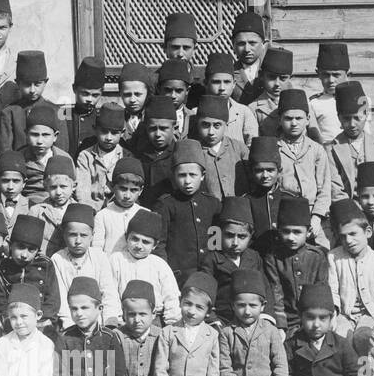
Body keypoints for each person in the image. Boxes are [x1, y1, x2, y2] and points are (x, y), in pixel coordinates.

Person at [282, 282, 371, 376]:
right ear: (300, 317)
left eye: (323, 318)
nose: (316, 324)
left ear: (332, 318)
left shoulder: (341, 343)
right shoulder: (290, 344)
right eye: (310, 317)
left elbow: (360, 375)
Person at [50, 277, 130, 376]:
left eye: (85, 308)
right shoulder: (64, 338)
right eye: (74, 309)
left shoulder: (110, 338)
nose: (79, 313)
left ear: (99, 308)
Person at [151, 272, 228, 376]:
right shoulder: (168, 333)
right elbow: (160, 371)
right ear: (180, 302)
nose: (192, 311)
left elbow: (213, 375)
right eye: (188, 304)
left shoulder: (212, 335)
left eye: (199, 307)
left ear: (208, 311)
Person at [218, 269, 288, 376]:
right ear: (233, 306)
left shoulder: (271, 331)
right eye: (241, 305)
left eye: (253, 305)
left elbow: (281, 366)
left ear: (263, 306)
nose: (247, 311)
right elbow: (224, 370)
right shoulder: (227, 333)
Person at [327, 198, 374, 374]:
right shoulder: (334, 257)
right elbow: (332, 289)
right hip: (345, 313)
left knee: (365, 337)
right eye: (343, 236)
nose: (348, 240)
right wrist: (334, 315)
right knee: (339, 336)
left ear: (368, 232)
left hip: (370, 314)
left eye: (353, 234)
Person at [154, 139, 220, 284]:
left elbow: (216, 242)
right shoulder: (165, 205)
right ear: (174, 175)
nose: (187, 181)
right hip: (177, 276)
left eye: (193, 175)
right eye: (182, 175)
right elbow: (160, 244)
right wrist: (164, 274)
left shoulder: (212, 204)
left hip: (207, 274)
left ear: (202, 175)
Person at [262, 196, 329, 333]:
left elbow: (321, 289)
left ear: (308, 231)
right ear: (278, 230)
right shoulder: (273, 257)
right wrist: (281, 326)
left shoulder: (317, 256)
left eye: (297, 232)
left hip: (312, 319)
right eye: (286, 231)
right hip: (287, 320)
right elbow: (276, 293)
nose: (291, 237)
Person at [50, 203, 119, 329]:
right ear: (64, 235)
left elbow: (108, 291)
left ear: (92, 235)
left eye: (83, 235)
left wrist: (110, 320)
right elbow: (61, 299)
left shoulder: (99, 257)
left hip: (99, 322)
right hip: (71, 321)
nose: (78, 241)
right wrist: (70, 327)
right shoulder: (57, 259)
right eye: (72, 234)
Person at [328, 82, 374, 207]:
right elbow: (336, 191)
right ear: (339, 118)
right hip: (349, 211)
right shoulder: (332, 150)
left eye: (357, 118)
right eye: (346, 119)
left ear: (366, 115)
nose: (352, 124)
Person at [276, 89, 330, 243]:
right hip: (284, 216)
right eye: (288, 118)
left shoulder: (317, 150)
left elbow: (324, 190)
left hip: (312, 213)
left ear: (307, 119)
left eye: (299, 118)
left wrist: (317, 217)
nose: (294, 123)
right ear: (280, 119)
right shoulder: (274, 148)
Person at [110, 210, 181, 325]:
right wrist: (115, 320)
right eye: (134, 239)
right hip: (125, 318)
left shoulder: (159, 264)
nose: (139, 246)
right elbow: (111, 294)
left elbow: (171, 297)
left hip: (154, 319)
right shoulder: (116, 259)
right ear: (127, 237)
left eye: (146, 242)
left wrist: (171, 325)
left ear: (155, 245)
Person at [0, 213, 58, 330]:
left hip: (41, 323)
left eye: (31, 250)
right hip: (14, 323)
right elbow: (0, 300)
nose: (24, 255)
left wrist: (44, 320)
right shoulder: (3, 267)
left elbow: (52, 298)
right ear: (11, 245)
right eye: (20, 247)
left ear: (38, 250)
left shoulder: (46, 264)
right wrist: (9, 321)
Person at [204, 196, 261, 325]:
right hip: (223, 320)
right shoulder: (213, 259)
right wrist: (214, 320)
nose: (235, 242)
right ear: (220, 233)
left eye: (241, 236)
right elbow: (205, 295)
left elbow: (265, 291)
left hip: (250, 318)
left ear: (250, 237)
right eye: (229, 235)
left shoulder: (254, 258)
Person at [0, 50, 69, 153]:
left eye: (37, 84)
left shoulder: (58, 111)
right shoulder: (9, 113)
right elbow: (5, 150)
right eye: (27, 84)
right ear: (18, 83)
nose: (32, 90)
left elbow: (62, 149)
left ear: (45, 82)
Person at [117, 280, 160, 376]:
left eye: (142, 314)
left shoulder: (161, 336)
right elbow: (118, 372)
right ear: (123, 314)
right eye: (131, 314)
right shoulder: (117, 336)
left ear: (153, 314)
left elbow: (162, 371)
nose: (137, 320)